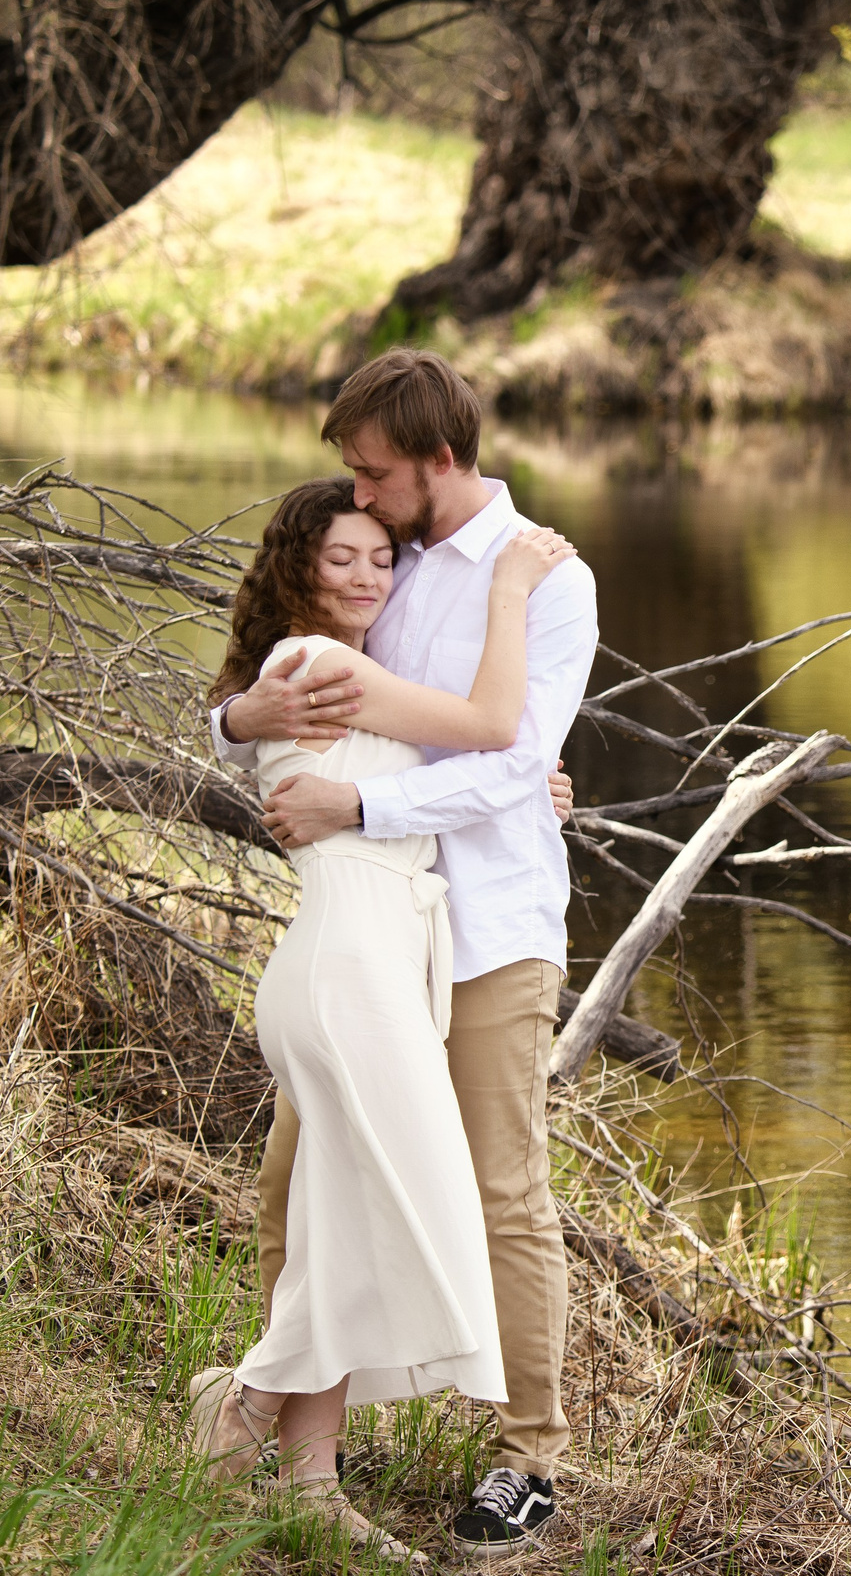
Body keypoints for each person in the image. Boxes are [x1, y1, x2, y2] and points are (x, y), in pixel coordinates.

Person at [208, 349, 599, 1557]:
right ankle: (286, 1450)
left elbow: (504, 760)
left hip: (488, 927)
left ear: (439, 460)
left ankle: (526, 1458)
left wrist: (362, 808)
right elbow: (272, 678)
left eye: (375, 475)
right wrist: (241, 718)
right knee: (299, 1180)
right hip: (375, 937)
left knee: (499, 1191)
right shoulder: (382, 560)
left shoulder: (547, 581)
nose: (360, 498)